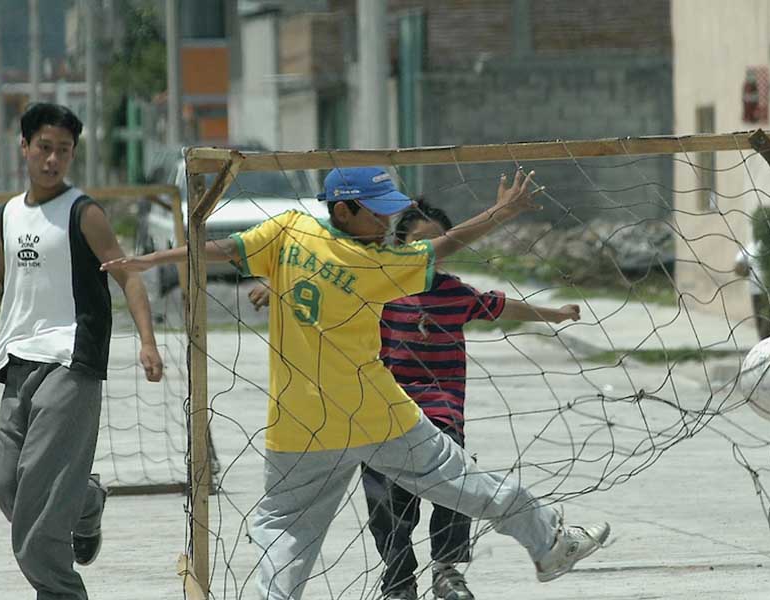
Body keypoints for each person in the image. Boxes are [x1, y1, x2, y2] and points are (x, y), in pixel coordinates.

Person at [103, 166, 611, 600]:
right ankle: (548, 546)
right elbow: (446, 244)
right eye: (377, 211)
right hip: (374, 414)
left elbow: (223, 248)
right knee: (467, 483)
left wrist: (156, 258)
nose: (388, 220)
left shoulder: (288, 230)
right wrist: (500, 213)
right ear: (343, 211)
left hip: (296, 424)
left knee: (285, 528)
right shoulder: (374, 265)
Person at [246, 199, 584, 599]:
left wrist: (554, 314)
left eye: (439, 243)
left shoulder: (454, 293)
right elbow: (328, 285)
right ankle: (398, 577)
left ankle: (447, 568)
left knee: (457, 489)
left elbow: (499, 305)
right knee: (387, 505)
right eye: (422, 242)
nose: (432, 252)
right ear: (402, 245)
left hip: (440, 411)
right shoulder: (381, 290)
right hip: (379, 414)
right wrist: (277, 283)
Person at [0, 103, 164, 600]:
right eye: (44, 148)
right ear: (24, 147)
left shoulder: (85, 213)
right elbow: (3, 288)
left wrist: (146, 340)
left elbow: (128, 276)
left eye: (64, 150)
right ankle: (87, 502)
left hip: (70, 362)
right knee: (8, 487)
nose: (53, 159)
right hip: (18, 362)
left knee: (36, 533)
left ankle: (59, 591)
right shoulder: (10, 213)